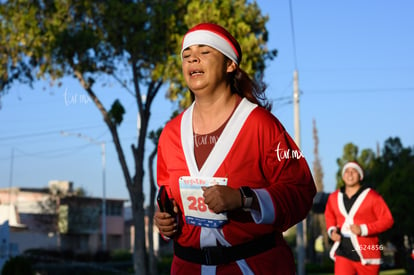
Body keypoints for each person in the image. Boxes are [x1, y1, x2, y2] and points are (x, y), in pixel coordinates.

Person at [154, 22, 316, 275]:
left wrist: (244, 198)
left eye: (205, 52)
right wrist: (166, 220)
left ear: (230, 65)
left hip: (254, 266)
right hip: (187, 267)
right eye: (186, 55)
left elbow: (302, 190)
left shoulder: (263, 125)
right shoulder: (170, 133)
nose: (192, 58)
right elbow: (166, 195)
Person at [324, 161, 394, 275]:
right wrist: (332, 231)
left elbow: (388, 220)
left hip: (368, 252)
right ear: (343, 175)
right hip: (343, 252)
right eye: (347, 171)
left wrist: (363, 229)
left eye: (354, 171)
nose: (350, 174)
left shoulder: (372, 196)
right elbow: (329, 215)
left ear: (360, 176)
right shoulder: (334, 197)